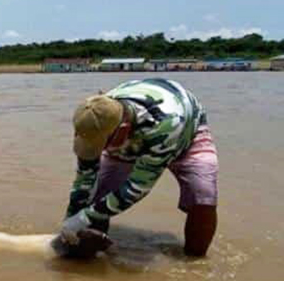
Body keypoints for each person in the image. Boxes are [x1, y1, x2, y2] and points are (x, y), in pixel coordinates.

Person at [53, 78, 218, 258]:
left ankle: (195, 263)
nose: (96, 150)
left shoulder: (167, 124)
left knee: (203, 198)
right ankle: (88, 256)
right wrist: (71, 218)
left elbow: (137, 187)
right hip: (129, 137)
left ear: (123, 129)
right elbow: (85, 178)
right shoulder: (94, 116)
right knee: (96, 197)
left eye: (101, 145)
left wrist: (84, 218)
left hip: (185, 130)